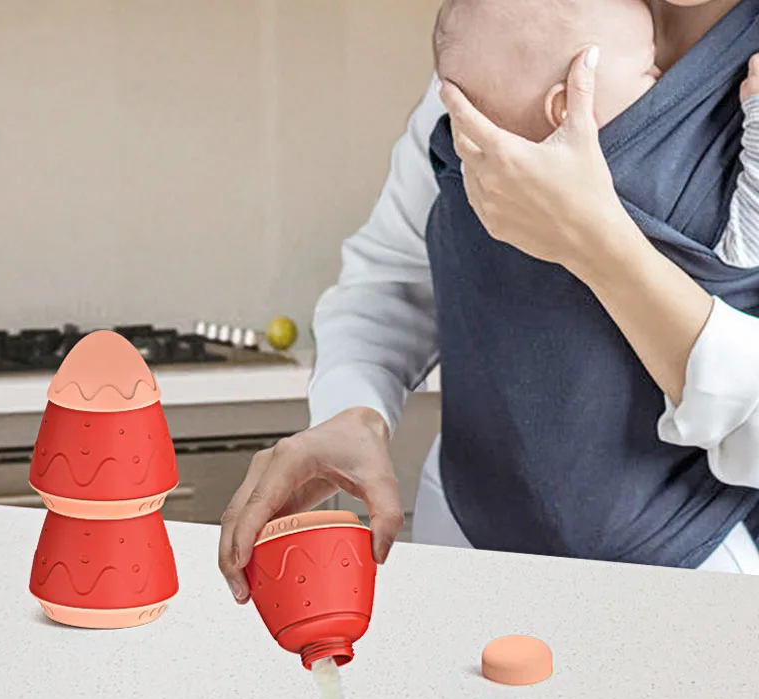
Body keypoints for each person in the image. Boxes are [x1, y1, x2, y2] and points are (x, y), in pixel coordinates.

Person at [220, 0, 759, 603]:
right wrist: (353, 410)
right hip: (466, 535)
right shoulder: (517, 26)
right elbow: (397, 273)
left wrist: (598, 247)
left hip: (687, 569)